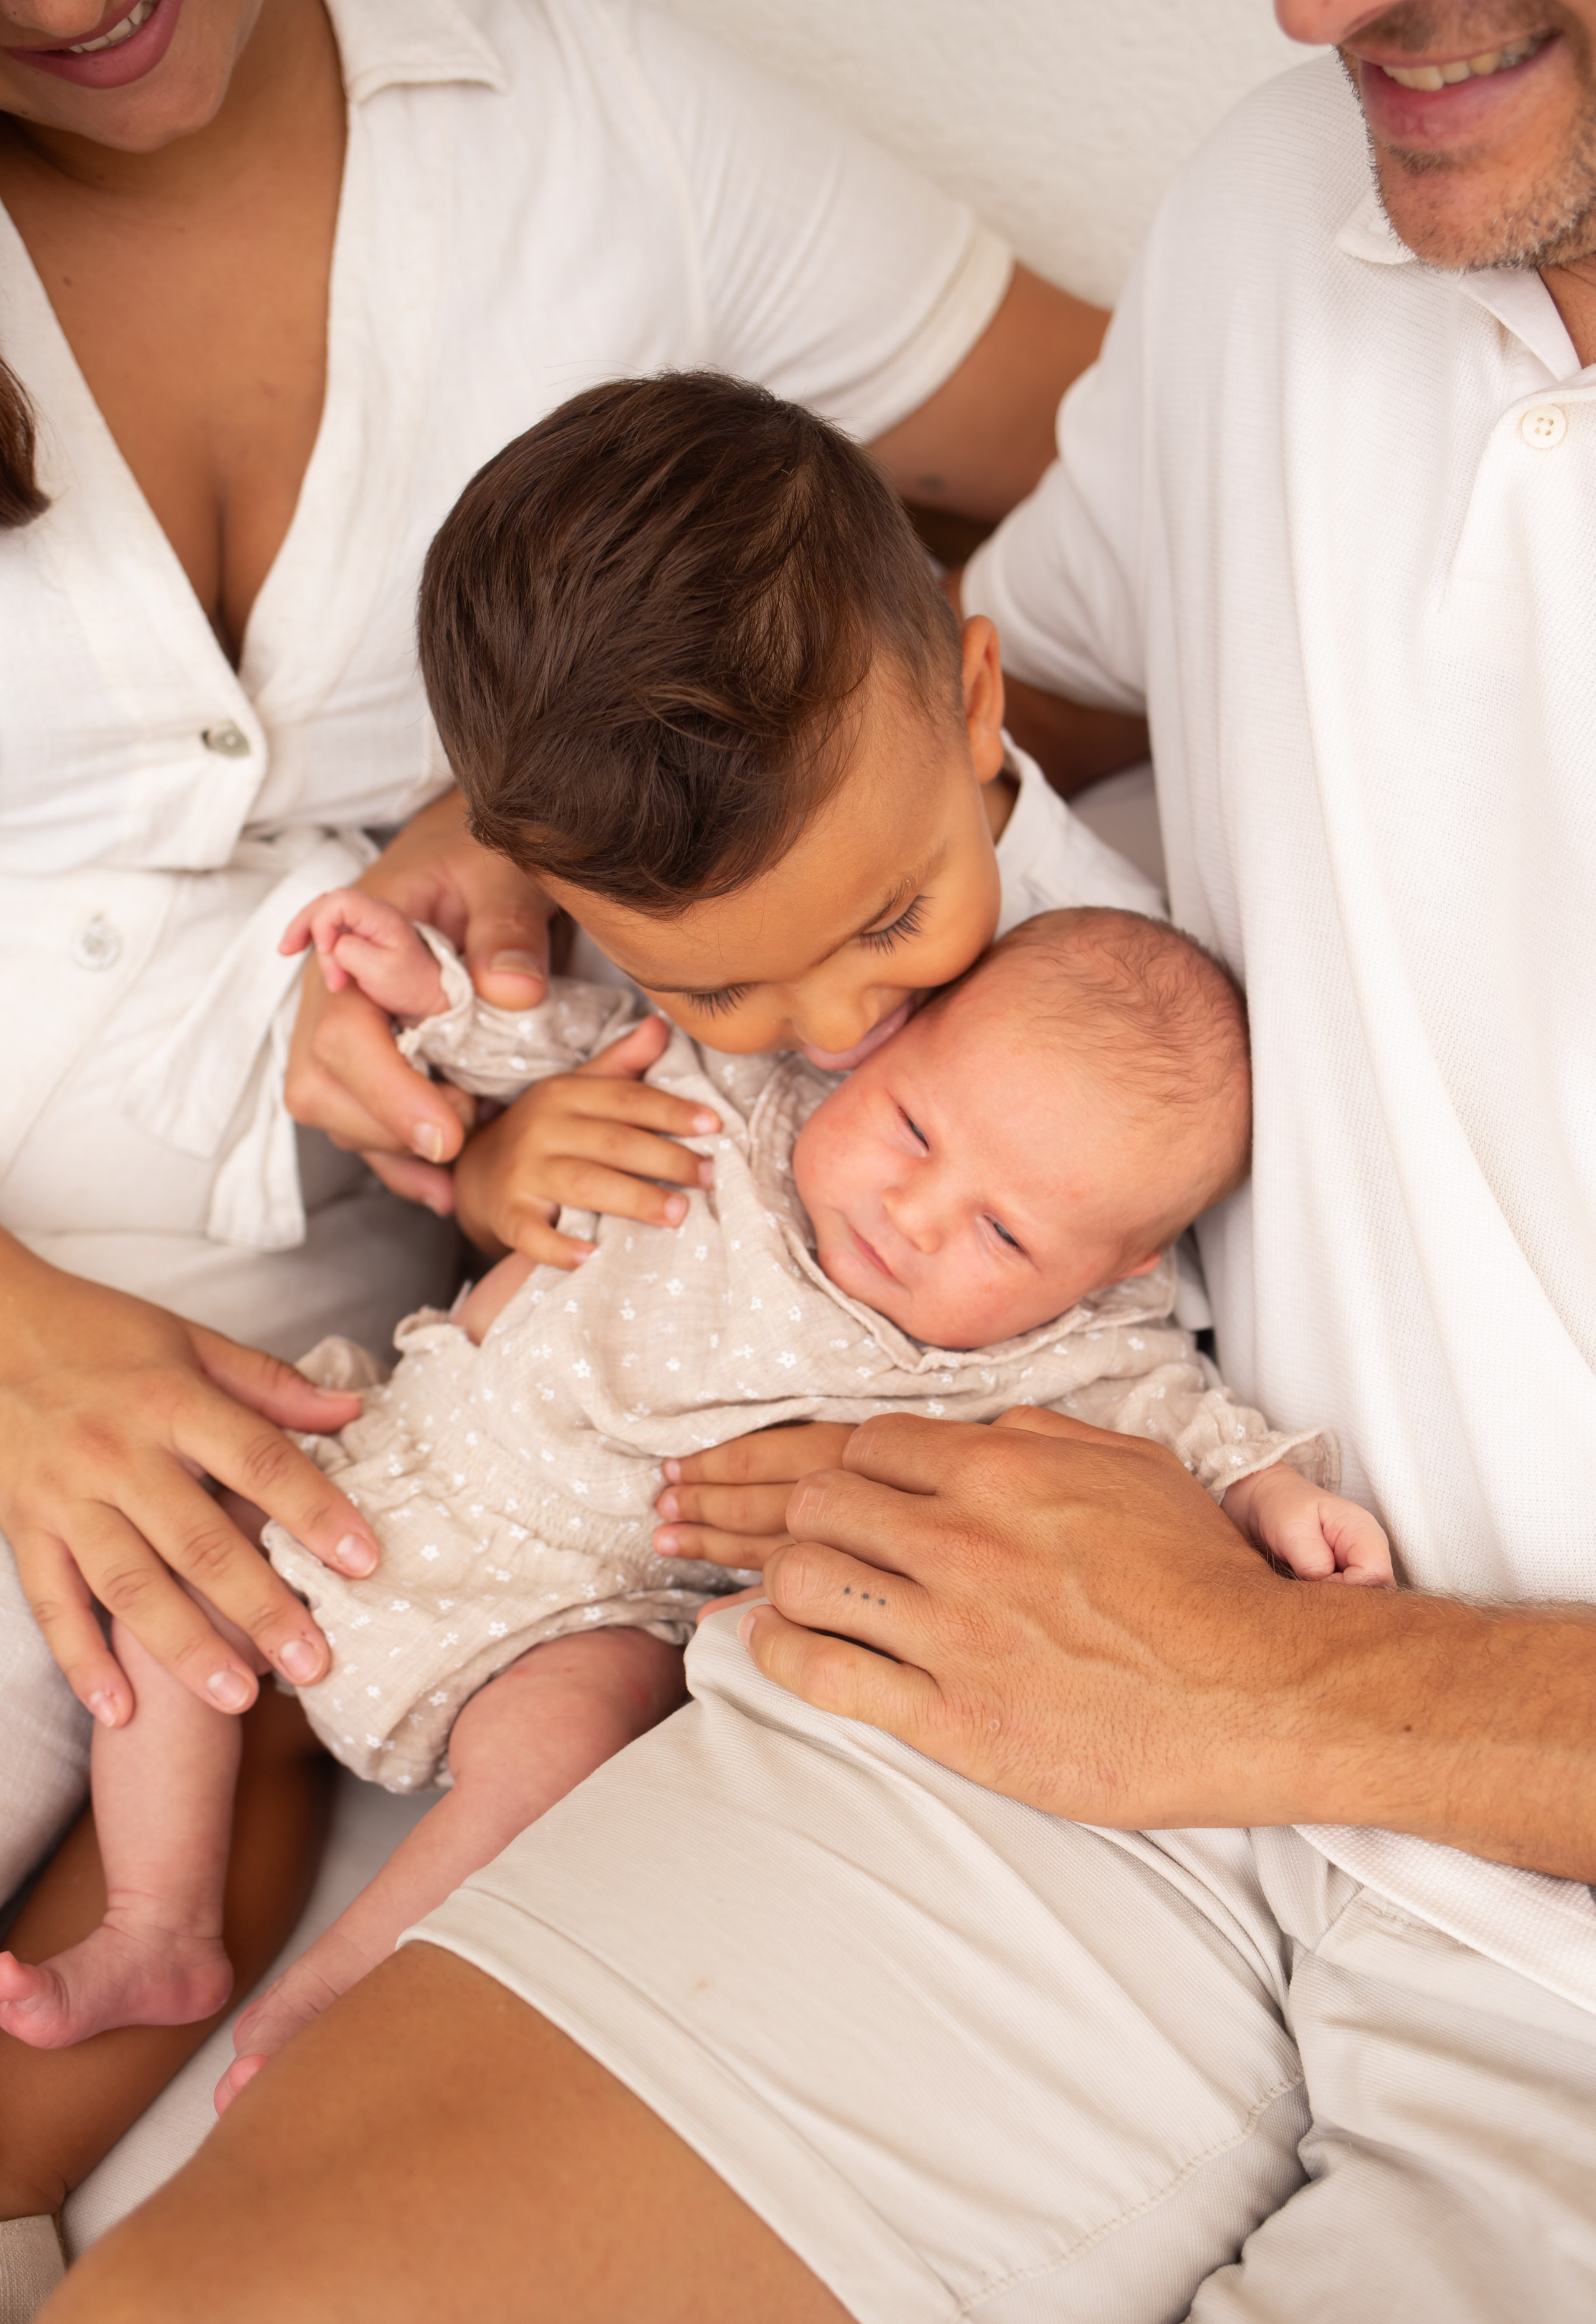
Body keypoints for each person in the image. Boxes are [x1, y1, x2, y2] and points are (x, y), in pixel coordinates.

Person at [48, 0, 1596, 2319]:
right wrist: (537, 846)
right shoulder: (1310, 201)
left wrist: (1284, 1681)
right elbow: (992, 684)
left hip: (1392, 1752)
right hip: (996, 1652)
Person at [0, 0, 1121, 2275]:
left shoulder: (594, 129)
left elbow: (1152, 546)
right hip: (70, 1348)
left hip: (294, 1394)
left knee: (229, 1662)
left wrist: (602, 820)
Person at [2, 898, 1392, 2109]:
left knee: (586, 1734)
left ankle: (342, 1990)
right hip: (379, 1472)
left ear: (1114, 1271)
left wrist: (1268, 1494)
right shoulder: (723, 1089)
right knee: (172, 1559)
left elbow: (1175, 1423)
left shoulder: (1067, 1347)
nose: (914, 1212)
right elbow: (554, 1045)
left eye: (1004, 1231)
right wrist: (432, 995)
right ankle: (158, 1922)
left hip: (573, 1614)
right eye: (914, 1129)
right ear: (886, 1044)